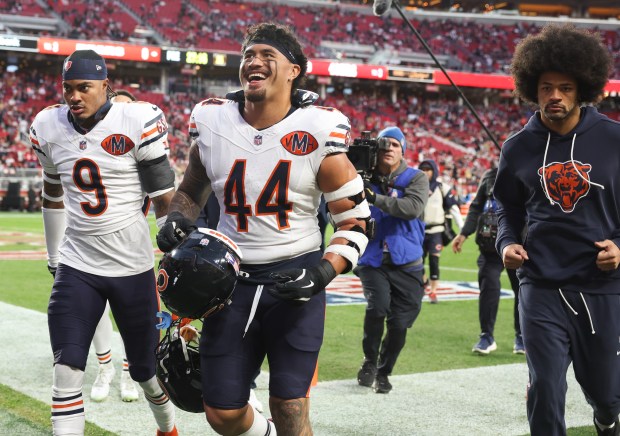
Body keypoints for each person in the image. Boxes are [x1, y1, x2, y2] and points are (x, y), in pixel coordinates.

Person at [156, 23, 372, 436]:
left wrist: (322, 272)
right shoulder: (212, 119)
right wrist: (178, 219)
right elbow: (193, 187)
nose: (252, 61)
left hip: (295, 276)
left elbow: (356, 222)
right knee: (221, 412)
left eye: (266, 55)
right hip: (228, 281)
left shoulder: (318, 129)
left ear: (294, 70)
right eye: (248, 55)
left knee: (290, 406)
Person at [30, 49, 178, 435]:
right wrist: (53, 255)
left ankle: (168, 427)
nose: (74, 96)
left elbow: (164, 197)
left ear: (106, 87)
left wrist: (173, 260)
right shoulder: (48, 126)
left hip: (131, 266)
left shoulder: (136, 119)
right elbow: (52, 192)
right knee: (66, 370)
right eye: (68, 88)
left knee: (146, 373)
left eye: (84, 87)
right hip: (77, 265)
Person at [495, 24, 620, 436]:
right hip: (541, 285)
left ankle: (606, 415)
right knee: (545, 390)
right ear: (533, 88)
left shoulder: (614, 140)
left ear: (582, 88)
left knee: (607, 391)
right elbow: (506, 207)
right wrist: (508, 242)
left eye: (565, 88)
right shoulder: (516, 147)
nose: (555, 96)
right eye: (547, 87)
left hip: (601, 286)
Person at [355, 126, 429, 394]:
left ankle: (385, 371)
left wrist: (375, 197)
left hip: (407, 262)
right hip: (373, 259)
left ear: (403, 151)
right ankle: (369, 362)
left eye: (395, 145)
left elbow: (412, 209)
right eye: (383, 145)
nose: (388, 148)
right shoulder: (361, 177)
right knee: (377, 308)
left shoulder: (417, 178)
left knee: (399, 324)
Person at [88, 88, 141, 403]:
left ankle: (128, 372)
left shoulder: (144, 149)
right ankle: (105, 368)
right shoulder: (91, 147)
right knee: (96, 310)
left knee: (134, 315)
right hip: (90, 245)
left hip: (130, 247)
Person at [451, 166, 524, 355]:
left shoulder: (528, 171)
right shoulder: (491, 175)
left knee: (523, 291)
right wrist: (464, 233)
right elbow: (476, 206)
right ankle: (486, 336)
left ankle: (522, 336)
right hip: (490, 246)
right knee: (489, 287)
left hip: (519, 244)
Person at [418, 159, 463, 303]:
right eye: (423, 169)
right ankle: (425, 284)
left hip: (436, 230)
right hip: (419, 231)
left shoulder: (442, 188)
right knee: (417, 261)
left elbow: (454, 209)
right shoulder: (415, 187)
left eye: (428, 169)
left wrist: (463, 230)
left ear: (434, 171)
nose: (425, 172)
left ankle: (433, 292)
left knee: (434, 261)